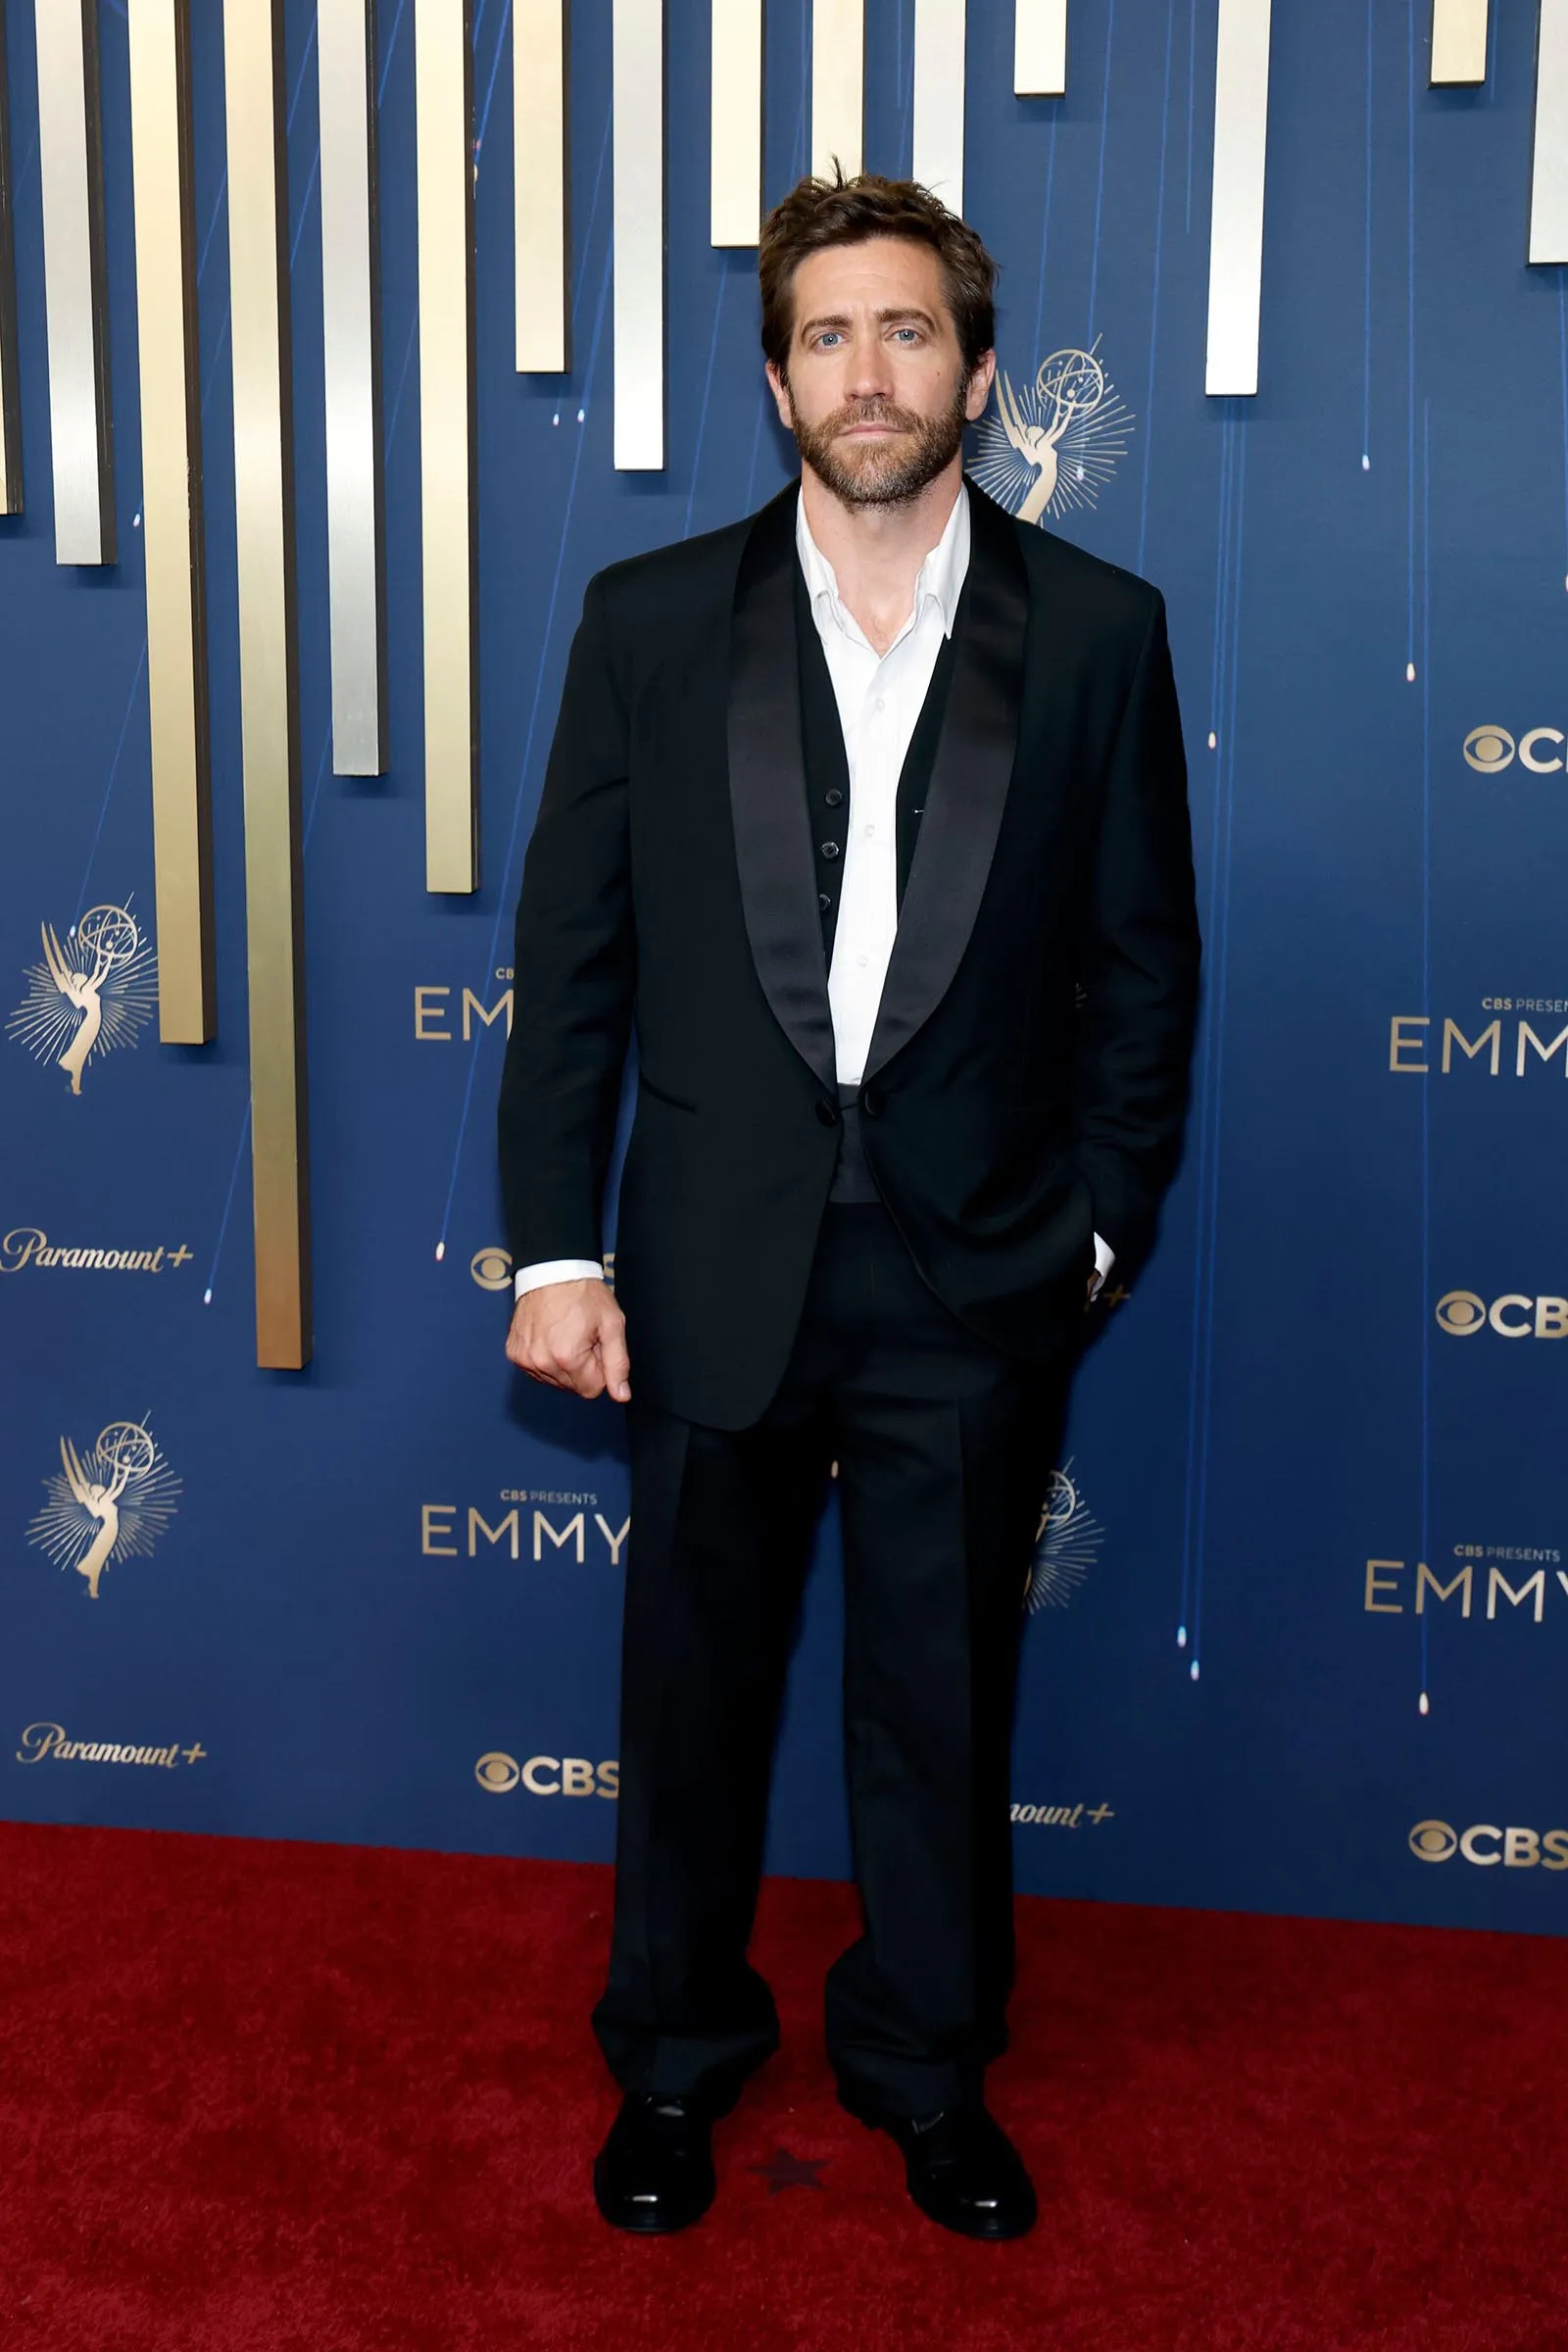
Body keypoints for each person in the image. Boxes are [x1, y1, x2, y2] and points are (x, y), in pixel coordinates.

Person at [497, 169, 1200, 2241]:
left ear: (975, 375)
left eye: (905, 330)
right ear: (778, 378)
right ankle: (673, 2061)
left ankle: (923, 2066)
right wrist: (557, 1246)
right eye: (825, 335)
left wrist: (1096, 1225)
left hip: (978, 1267)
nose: (865, 370)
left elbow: (1144, 967)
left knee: (940, 1703)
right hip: (708, 1262)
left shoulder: (1099, 631)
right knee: (686, 1700)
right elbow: (575, 957)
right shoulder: (649, 620)